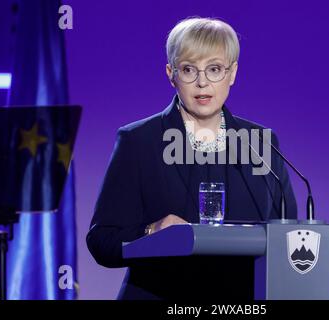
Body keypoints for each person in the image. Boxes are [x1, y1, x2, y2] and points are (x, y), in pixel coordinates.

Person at [87, 17, 298, 300]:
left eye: (214, 69)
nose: (202, 82)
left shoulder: (260, 143)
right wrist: (152, 230)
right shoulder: (140, 141)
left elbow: (289, 236)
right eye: (188, 69)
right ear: (170, 73)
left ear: (232, 73)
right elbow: (102, 241)